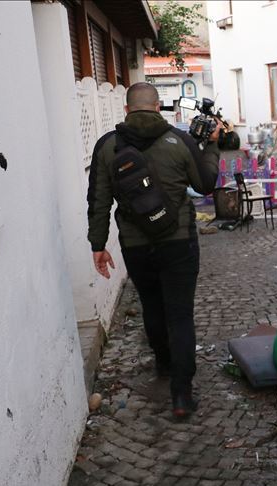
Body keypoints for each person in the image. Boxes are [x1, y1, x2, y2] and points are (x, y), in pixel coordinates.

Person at [87, 82, 221, 418]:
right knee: (180, 314)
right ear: (158, 106)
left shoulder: (107, 146)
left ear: (127, 109)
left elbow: (98, 200)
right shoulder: (180, 140)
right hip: (178, 242)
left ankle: (163, 364)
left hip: (135, 245)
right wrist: (213, 148)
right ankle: (181, 394)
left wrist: (98, 245)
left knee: (152, 306)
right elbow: (205, 184)